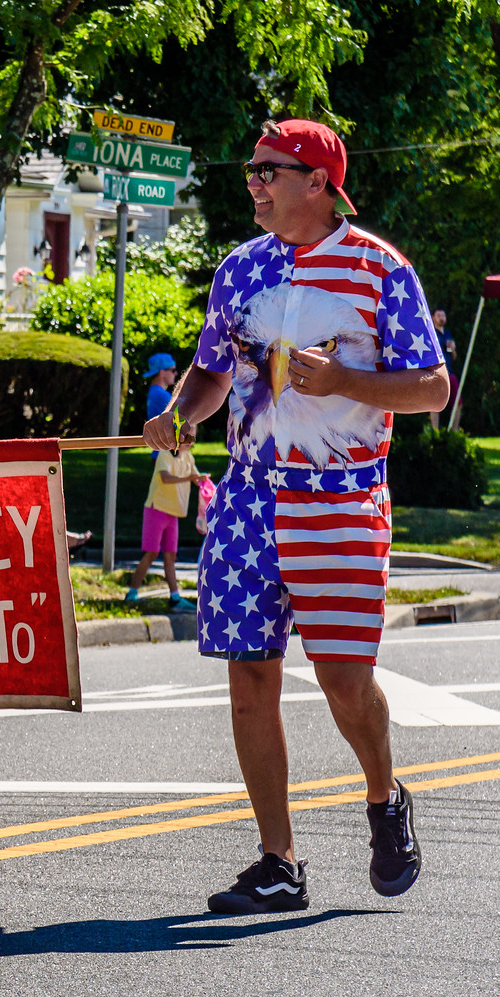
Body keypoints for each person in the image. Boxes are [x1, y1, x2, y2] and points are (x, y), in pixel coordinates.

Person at [143, 119, 445, 915]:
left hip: (340, 500)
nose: (253, 182)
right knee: (250, 677)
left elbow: (431, 389)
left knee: (345, 682)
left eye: (267, 169)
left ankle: (384, 796)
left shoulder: (381, 271)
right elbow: (212, 370)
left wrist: (345, 379)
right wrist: (182, 412)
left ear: (317, 180)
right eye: (251, 168)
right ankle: (278, 859)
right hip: (247, 499)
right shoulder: (239, 269)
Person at [124, 443, 211, 612]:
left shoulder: (188, 457)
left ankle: (175, 597)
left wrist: (204, 483)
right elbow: (165, 478)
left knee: (170, 556)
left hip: (173, 512)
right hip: (156, 509)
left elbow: (196, 477)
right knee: (152, 553)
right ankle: (132, 592)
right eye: (189, 436)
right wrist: (191, 478)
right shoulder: (164, 455)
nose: (192, 442)